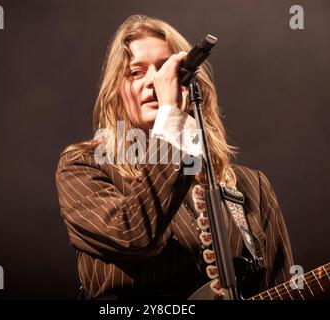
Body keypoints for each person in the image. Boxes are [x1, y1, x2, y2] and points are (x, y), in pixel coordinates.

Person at [55, 15, 294, 300]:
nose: (154, 81)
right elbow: (133, 234)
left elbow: (279, 286)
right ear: (116, 92)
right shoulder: (83, 166)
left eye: (165, 69)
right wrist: (170, 117)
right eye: (136, 73)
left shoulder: (249, 186)